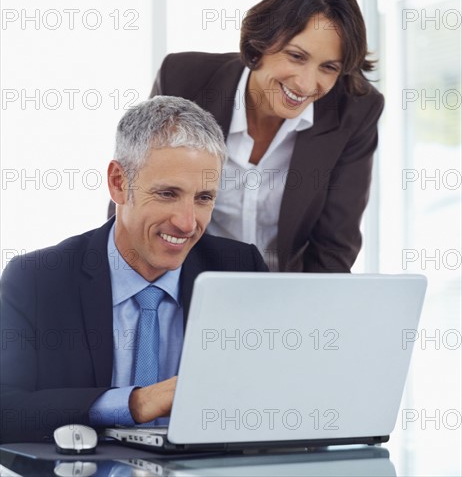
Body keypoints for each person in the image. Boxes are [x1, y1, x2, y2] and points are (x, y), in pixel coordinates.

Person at [0, 96, 267, 443]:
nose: (187, 223)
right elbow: (6, 409)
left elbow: (277, 394)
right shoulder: (37, 279)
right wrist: (135, 403)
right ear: (118, 183)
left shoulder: (240, 271)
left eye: (203, 198)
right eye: (168, 193)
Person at [146, 0, 385, 272]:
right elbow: (137, 205)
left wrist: (307, 318)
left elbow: (333, 248)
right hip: (180, 287)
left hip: (285, 300)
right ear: (261, 42)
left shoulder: (355, 112)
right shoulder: (183, 81)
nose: (306, 84)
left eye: (328, 67)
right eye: (296, 56)